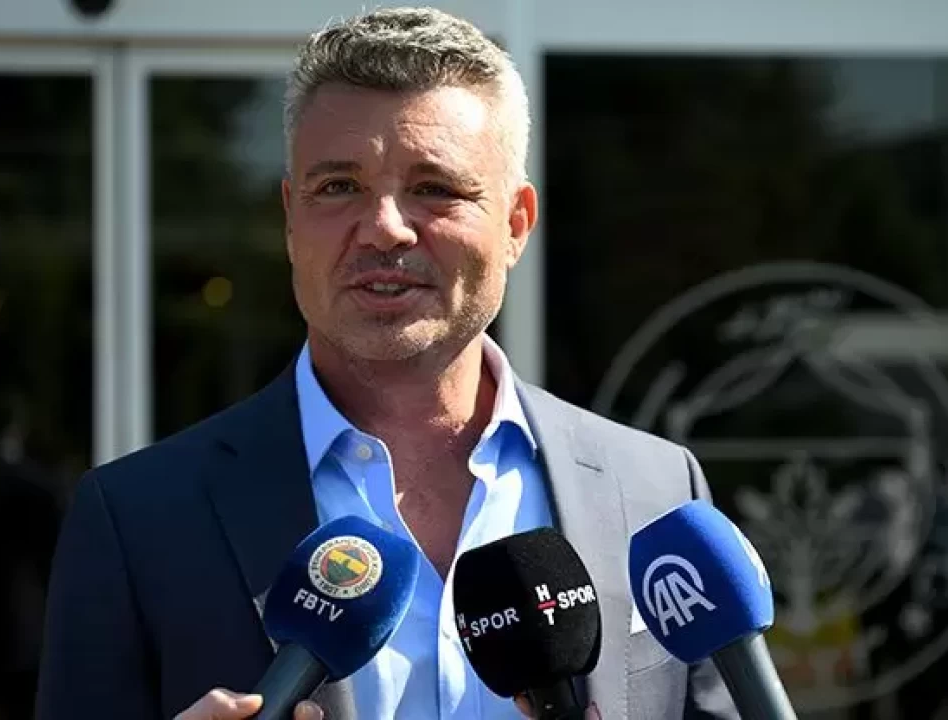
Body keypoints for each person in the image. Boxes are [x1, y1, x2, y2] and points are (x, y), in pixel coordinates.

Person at [36, 7, 738, 720]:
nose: (384, 228)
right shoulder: (136, 520)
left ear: (516, 223)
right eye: (339, 187)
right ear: (291, 219)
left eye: (435, 188)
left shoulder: (655, 492)